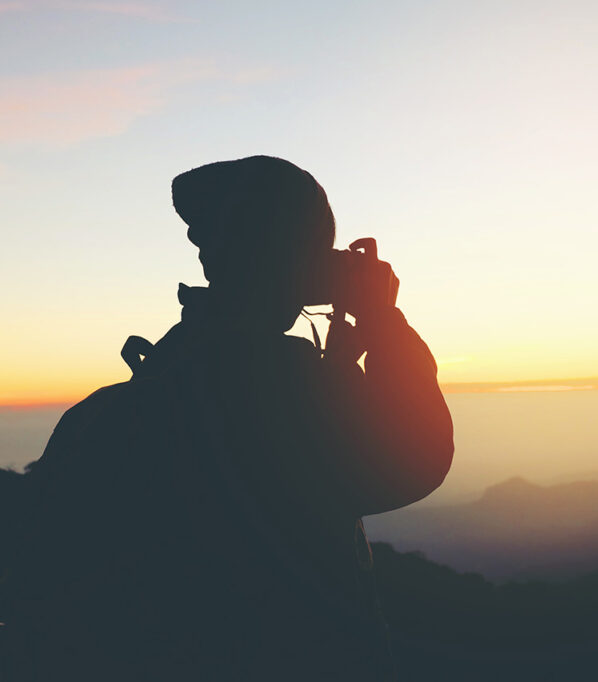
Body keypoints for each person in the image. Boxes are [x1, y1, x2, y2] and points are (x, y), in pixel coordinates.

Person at [11, 156, 454, 681]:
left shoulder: (123, 404)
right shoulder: (290, 397)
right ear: (302, 264)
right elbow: (414, 456)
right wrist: (381, 319)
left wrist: (333, 368)